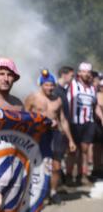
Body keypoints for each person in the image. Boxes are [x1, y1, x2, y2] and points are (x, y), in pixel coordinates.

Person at [24, 70, 77, 204]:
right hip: (38, 135)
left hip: (55, 135)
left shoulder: (57, 99)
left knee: (57, 166)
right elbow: (24, 116)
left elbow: (63, 120)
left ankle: (53, 192)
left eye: (52, 85)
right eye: (47, 85)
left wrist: (71, 140)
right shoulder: (33, 98)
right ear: (41, 84)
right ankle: (35, 193)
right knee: (38, 165)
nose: (50, 87)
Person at [65, 62, 103, 186]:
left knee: (85, 150)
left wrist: (101, 117)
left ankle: (83, 175)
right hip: (74, 122)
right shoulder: (72, 84)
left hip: (88, 122)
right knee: (72, 150)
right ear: (79, 72)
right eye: (84, 71)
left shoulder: (92, 88)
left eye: (88, 72)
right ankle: (69, 176)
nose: (86, 74)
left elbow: (95, 105)